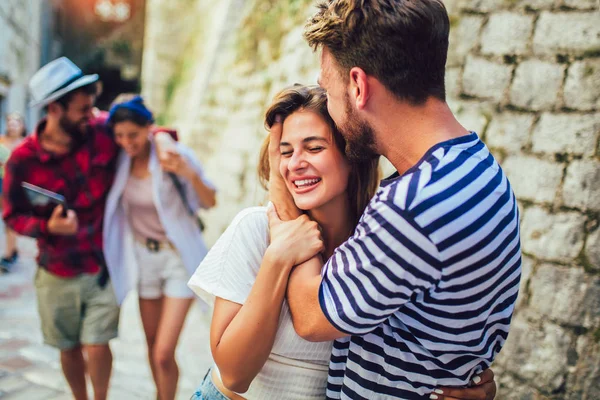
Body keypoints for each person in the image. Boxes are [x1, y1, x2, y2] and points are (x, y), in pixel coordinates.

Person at [266, 1, 521, 399]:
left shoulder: (412, 206)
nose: (331, 110)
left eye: (329, 90)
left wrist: (285, 209)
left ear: (358, 86)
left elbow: (313, 317)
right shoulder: (481, 167)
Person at [188, 85, 495, 400]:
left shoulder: (380, 245)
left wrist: (468, 386)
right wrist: (279, 257)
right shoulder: (254, 230)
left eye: (314, 147)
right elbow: (234, 374)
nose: (295, 164)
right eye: (286, 151)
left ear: (352, 156)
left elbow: (416, 349)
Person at [2, 57, 120, 400]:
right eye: (83, 108)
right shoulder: (23, 159)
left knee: (98, 344)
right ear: (54, 108)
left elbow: (140, 135)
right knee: (68, 347)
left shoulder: (101, 134)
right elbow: (12, 215)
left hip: (102, 266)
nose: (91, 114)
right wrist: (45, 226)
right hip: (56, 270)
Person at [103, 94, 216, 400]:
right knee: (152, 347)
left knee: (165, 352)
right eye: (120, 136)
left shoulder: (173, 156)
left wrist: (188, 172)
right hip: (142, 259)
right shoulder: (119, 160)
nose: (127, 142)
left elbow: (210, 200)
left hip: (176, 259)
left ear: (149, 128)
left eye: (133, 135)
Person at [0, 112, 27, 272]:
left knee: (10, 218)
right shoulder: (1, 140)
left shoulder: (25, 143)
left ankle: (10, 253)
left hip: (15, 185)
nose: (12, 125)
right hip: (0, 182)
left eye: (15, 122)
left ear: (21, 125)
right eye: (9, 122)